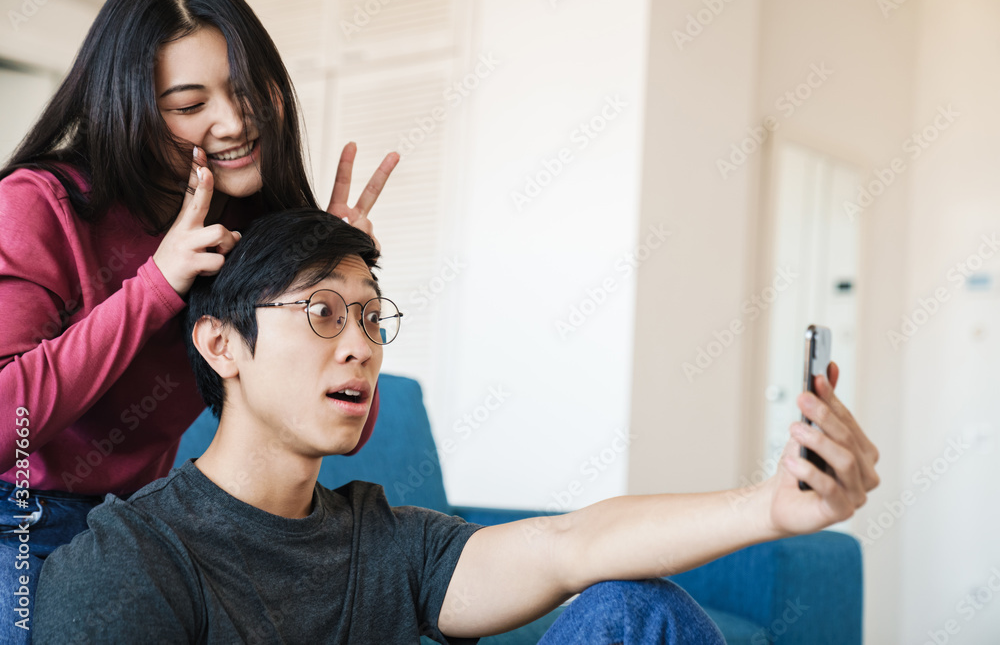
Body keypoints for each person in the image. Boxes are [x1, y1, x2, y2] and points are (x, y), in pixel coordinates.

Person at [33, 208, 881, 644]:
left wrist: (774, 505)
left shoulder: (390, 541)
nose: (361, 348)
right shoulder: (129, 562)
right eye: (324, 313)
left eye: (372, 319)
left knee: (631, 609)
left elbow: (568, 544)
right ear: (220, 343)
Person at [0, 0, 397, 636]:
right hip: (22, 517)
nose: (236, 122)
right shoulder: (40, 205)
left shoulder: (252, 220)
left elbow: (342, 429)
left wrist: (333, 293)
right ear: (129, 106)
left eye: (246, 89)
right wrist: (157, 283)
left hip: (149, 521)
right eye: (190, 104)